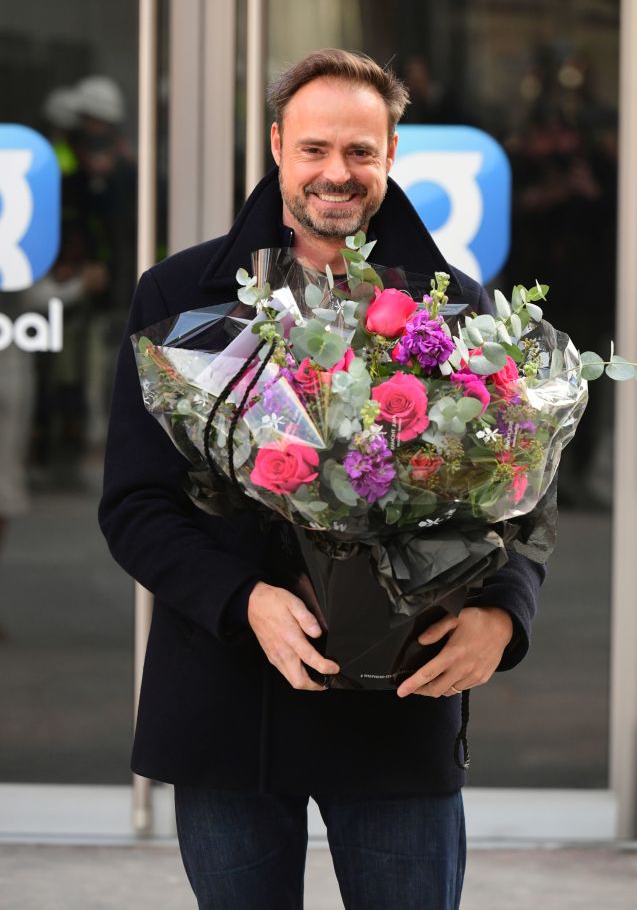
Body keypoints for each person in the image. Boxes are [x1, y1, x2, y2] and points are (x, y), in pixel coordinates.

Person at [99, 49, 546, 910]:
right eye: (313, 149)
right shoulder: (181, 293)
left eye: (358, 150)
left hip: (399, 703)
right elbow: (135, 504)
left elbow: (521, 494)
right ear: (276, 146)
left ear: (390, 155)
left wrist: (502, 614)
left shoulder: (458, 306)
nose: (335, 173)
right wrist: (244, 599)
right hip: (229, 700)